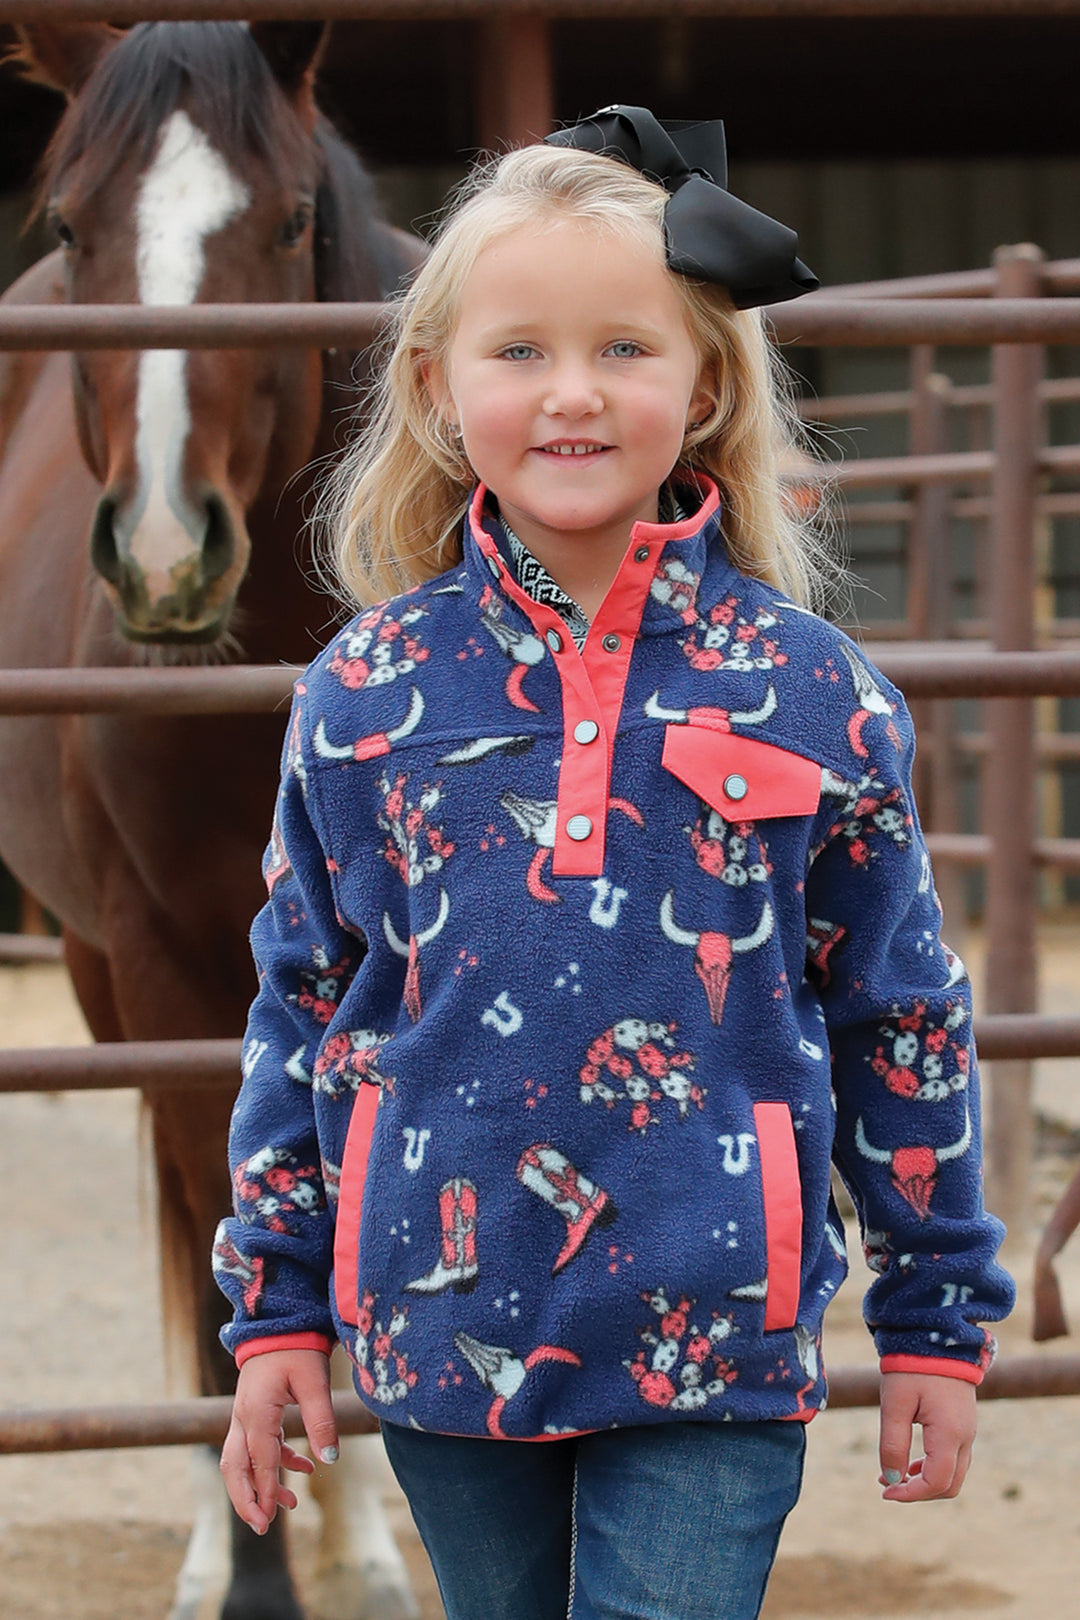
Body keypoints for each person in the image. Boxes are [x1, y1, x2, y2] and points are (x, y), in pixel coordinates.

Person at [215, 106, 1014, 1620]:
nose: (570, 395)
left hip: (718, 1336)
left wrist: (935, 1323)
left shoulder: (814, 690)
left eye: (624, 350)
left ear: (706, 383)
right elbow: (303, 1007)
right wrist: (274, 1312)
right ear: (440, 391)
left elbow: (903, 1016)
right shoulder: (364, 694)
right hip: (445, 1336)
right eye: (518, 351)